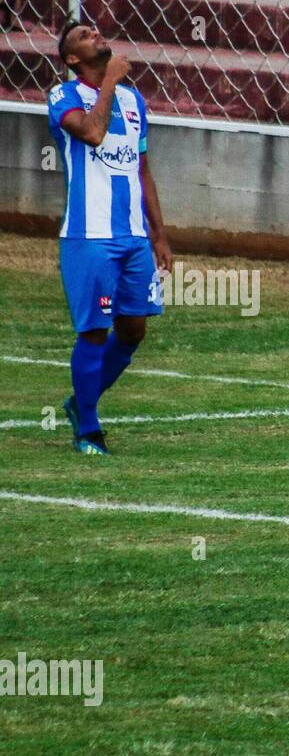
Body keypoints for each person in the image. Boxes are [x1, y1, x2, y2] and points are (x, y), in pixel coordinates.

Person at [48, 22, 172, 456]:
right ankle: (89, 429)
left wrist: (159, 234)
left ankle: (79, 404)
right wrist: (111, 83)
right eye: (83, 35)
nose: (95, 33)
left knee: (133, 329)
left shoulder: (135, 100)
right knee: (95, 331)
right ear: (72, 59)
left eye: (95, 29)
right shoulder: (62, 97)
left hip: (134, 237)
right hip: (89, 236)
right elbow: (93, 133)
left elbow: (142, 170)